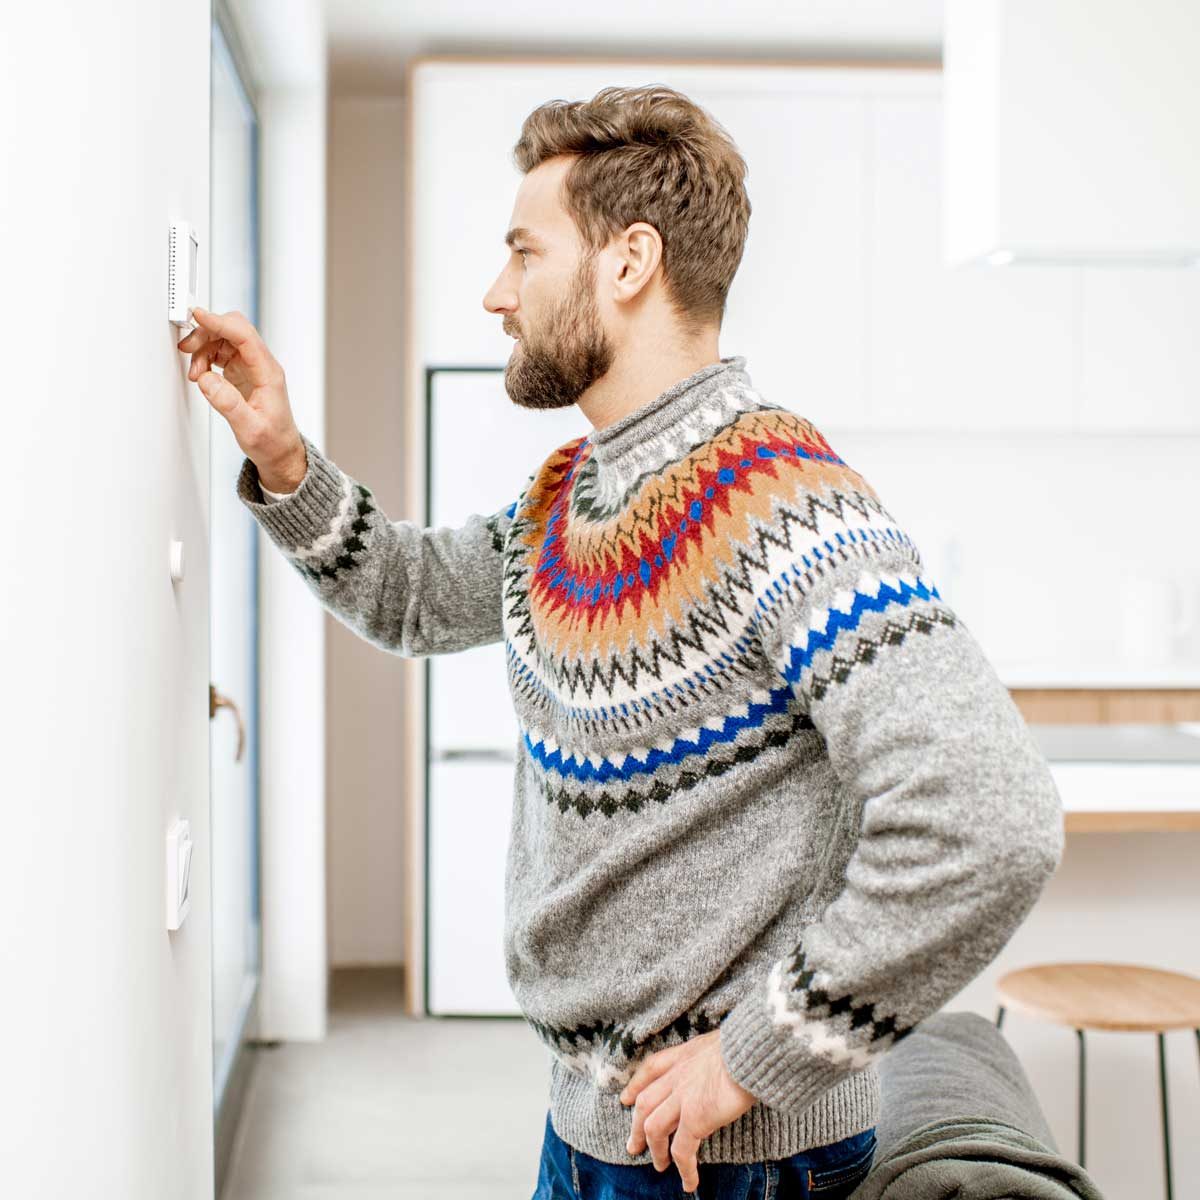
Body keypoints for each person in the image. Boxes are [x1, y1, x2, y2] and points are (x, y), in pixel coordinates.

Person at [178, 83, 1064, 1200]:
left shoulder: (782, 504)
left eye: (523, 254)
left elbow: (991, 816)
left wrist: (756, 1056)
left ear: (628, 262)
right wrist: (285, 458)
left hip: (732, 1158)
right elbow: (411, 594)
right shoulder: (573, 493)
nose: (498, 295)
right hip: (596, 1124)